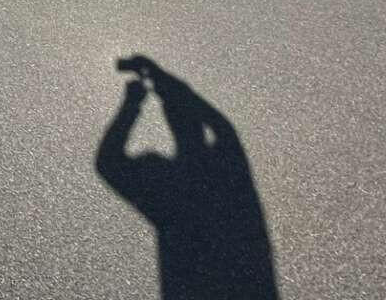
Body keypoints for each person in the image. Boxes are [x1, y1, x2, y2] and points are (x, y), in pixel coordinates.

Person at [96, 55, 280, 299]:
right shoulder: (228, 172)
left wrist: (133, 103)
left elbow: (108, 162)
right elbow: (221, 125)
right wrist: (162, 80)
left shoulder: (170, 191)